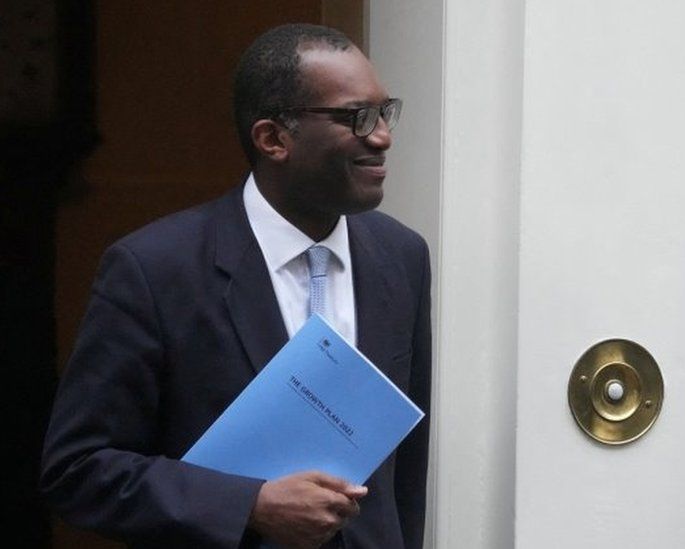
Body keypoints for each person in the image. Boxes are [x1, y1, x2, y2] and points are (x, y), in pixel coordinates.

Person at [39, 24, 431, 549]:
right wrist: (250, 505)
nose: (381, 136)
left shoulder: (401, 256)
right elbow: (78, 470)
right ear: (273, 139)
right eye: (355, 117)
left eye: (384, 112)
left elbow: (405, 475)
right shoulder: (155, 270)